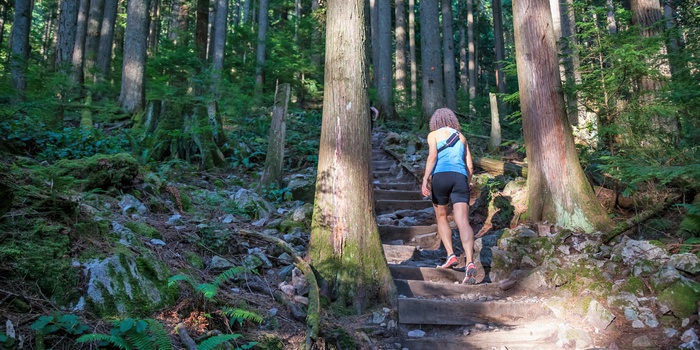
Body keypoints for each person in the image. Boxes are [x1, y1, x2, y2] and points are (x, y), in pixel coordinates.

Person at [421, 108, 477, 284]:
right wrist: (465, 183)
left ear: (435, 121)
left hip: (441, 176)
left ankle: (451, 255)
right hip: (460, 177)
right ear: (452, 120)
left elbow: (432, 157)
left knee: (442, 216)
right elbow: (470, 167)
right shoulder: (461, 137)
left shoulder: (433, 135)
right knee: (463, 221)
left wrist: (424, 179)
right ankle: (469, 261)